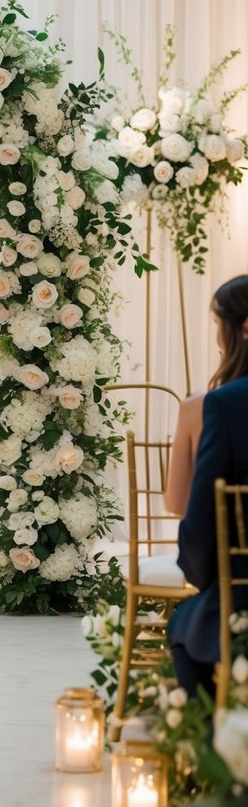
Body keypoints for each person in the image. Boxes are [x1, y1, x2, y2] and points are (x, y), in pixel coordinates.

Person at [168, 274, 248, 696]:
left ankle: (217, 745)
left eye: (219, 323)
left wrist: (205, 581)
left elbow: (197, 523)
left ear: (244, 327)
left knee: (186, 625)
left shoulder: (224, 405)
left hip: (242, 595)